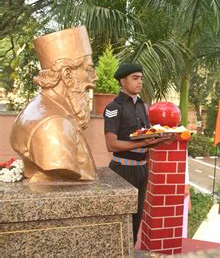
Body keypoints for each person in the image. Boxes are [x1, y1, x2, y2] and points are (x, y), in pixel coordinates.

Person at [10, 26, 98, 182]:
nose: (95, 77)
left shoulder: (40, 106)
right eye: (89, 69)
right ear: (67, 75)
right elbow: (59, 164)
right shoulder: (54, 124)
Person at [103, 63, 175, 244]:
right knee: (119, 219)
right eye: (135, 78)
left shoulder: (144, 106)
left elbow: (146, 139)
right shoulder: (114, 107)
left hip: (142, 170)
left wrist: (162, 139)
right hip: (122, 170)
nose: (140, 82)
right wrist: (145, 142)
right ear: (123, 81)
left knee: (136, 220)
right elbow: (111, 144)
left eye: (141, 78)